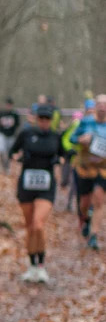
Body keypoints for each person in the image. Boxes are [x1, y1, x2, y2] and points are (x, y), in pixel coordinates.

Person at [10, 104, 68, 283]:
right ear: (36, 119)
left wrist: (59, 160)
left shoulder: (56, 137)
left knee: (38, 224)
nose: (44, 122)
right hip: (27, 184)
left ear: (51, 120)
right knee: (29, 227)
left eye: (47, 119)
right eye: (41, 118)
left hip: (46, 185)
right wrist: (17, 157)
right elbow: (12, 152)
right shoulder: (26, 134)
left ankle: (41, 265)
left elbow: (64, 155)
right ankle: (31, 265)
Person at [71, 95, 106, 250]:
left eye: (105, 104)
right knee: (84, 203)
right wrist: (80, 139)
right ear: (95, 106)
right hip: (85, 168)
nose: (102, 107)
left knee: (99, 200)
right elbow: (72, 138)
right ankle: (85, 218)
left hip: (103, 169)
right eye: (100, 104)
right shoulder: (86, 122)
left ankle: (94, 235)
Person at [0, 98, 21, 174]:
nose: (8, 106)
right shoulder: (1, 113)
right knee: (1, 150)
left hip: (11, 135)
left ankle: (7, 167)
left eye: (9, 105)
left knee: (9, 152)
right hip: (2, 134)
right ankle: (2, 164)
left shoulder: (15, 114)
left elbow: (17, 124)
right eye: (7, 105)